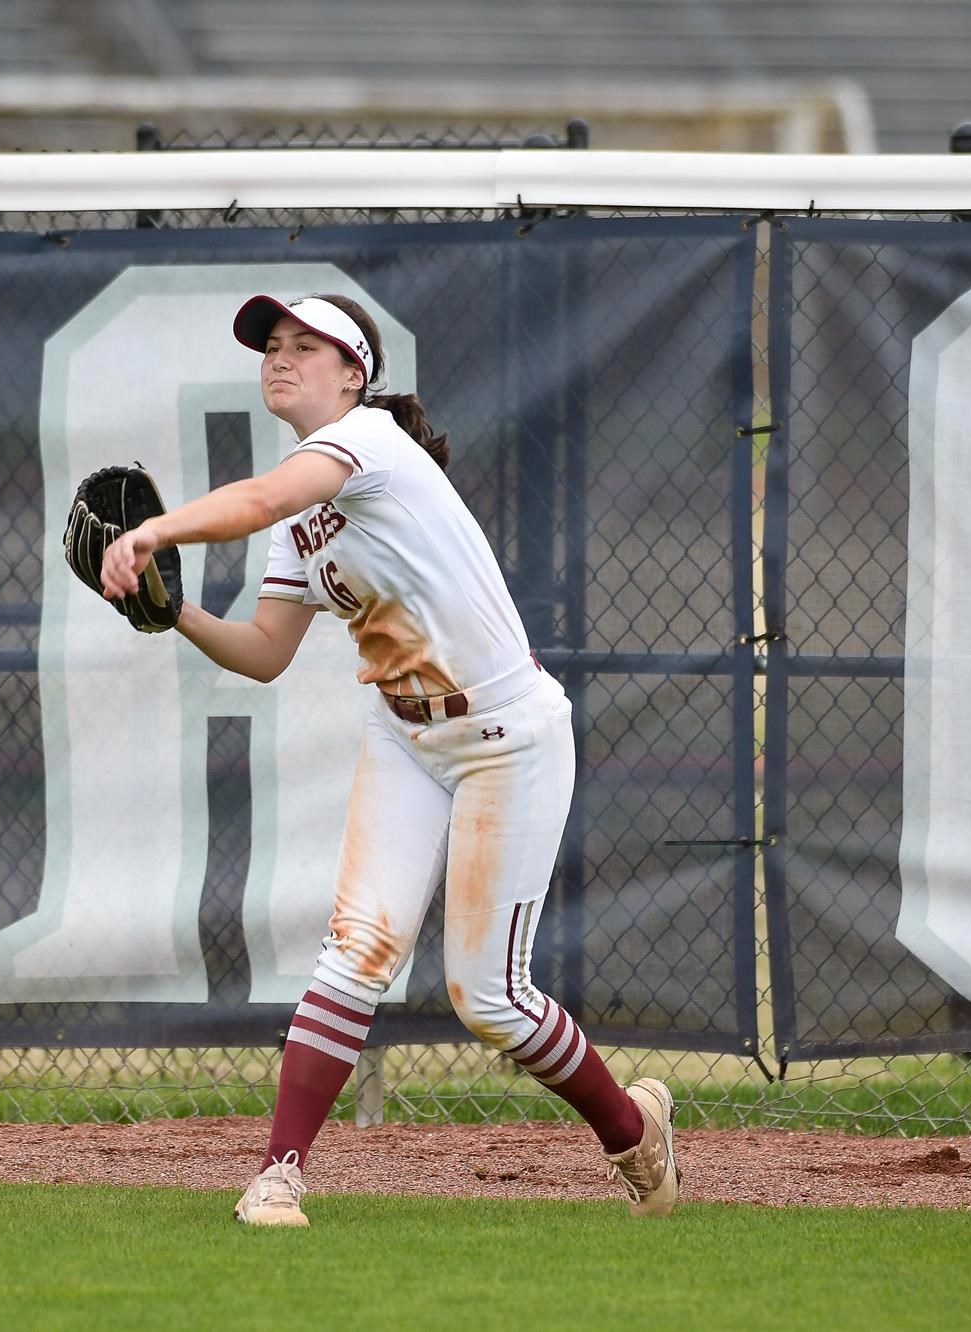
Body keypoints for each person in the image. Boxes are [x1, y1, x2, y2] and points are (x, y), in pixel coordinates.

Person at [95, 293, 680, 1227]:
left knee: (488, 999)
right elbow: (266, 651)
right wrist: (177, 613)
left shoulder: (366, 441)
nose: (279, 359)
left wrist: (157, 533)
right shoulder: (301, 515)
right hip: (406, 733)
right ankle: (279, 1174)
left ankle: (632, 1131)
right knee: (356, 951)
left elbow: (259, 499)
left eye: (303, 345)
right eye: (270, 347)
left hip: (507, 736)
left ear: (354, 373)